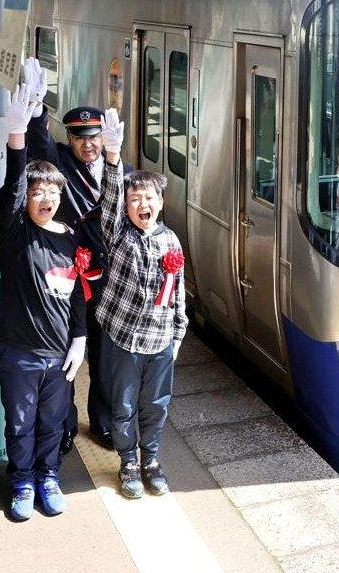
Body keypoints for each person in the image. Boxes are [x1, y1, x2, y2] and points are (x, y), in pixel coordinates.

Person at [0, 79, 97, 521]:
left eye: (52, 192)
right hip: (19, 351)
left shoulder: (70, 239)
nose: (46, 198)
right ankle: (20, 482)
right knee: (19, 423)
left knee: (53, 423)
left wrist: (80, 338)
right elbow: (14, 185)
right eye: (38, 193)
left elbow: (74, 294)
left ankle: (47, 477)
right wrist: (18, 136)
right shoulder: (14, 233)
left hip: (59, 355)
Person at [27, 67, 130, 452]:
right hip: (67, 272)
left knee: (105, 354)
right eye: (80, 138)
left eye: (95, 137)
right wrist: (38, 112)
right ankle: (64, 424)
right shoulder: (57, 164)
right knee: (65, 350)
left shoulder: (123, 170)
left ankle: (102, 423)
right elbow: (38, 146)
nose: (89, 145)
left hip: (107, 277)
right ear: (67, 138)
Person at [98, 108, 187, 499]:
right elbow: (112, 201)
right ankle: (127, 461)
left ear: (161, 202)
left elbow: (179, 291)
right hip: (123, 340)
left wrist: (179, 335)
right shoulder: (118, 234)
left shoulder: (171, 241)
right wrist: (113, 158)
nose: (141, 204)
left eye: (148, 198)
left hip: (161, 343)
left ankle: (150, 459)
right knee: (123, 404)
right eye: (135, 199)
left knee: (156, 404)